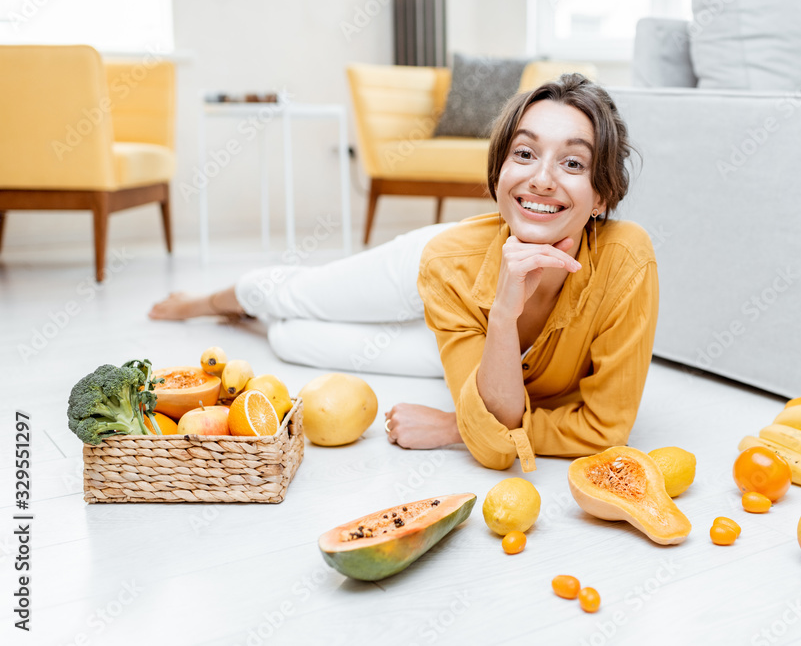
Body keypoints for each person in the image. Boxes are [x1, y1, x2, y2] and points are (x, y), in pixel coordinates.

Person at [149, 73, 658, 471]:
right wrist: (501, 327)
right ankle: (204, 303)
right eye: (524, 154)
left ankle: (252, 322)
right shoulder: (444, 259)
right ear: (500, 171)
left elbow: (599, 429)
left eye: (572, 164)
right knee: (289, 296)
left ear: (602, 195)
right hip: (429, 274)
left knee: (290, 341)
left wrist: (459, 419)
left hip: (479, 345)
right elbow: (507, 430)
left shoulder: (627, 261)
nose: (541, 179)